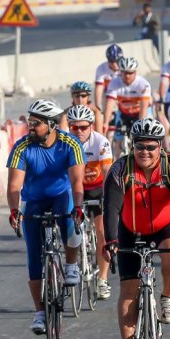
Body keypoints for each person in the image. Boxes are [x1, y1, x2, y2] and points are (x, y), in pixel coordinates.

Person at [102, 118, 170, 339]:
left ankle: (167, 297)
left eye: (151, 147)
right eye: (140, 146)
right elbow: (111, 208)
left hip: (166, 226)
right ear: (133, 145)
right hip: (130, 229)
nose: (145, 152)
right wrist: (111, 241)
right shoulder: (120, 169)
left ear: (160, 147)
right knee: (129, 290)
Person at [7, 100, 86, 335]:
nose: (30, 127)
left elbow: (77, 182)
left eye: (36, 123)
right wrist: (14, 210)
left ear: (51, 125)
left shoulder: (69, 143)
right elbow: (13, 186)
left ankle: (71, 265)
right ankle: (40, 313)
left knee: (70, 222)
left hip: (61, 195)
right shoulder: (22, 147)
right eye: (29, 122)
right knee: (34, 256)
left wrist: (79, 206)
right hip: (35, 200)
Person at [66, 105, 113, 299]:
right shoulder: (65, 143)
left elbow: (108, 174)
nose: (79, 131)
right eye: (74, 127)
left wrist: (110, 199)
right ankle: (71, 267)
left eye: (83, 127)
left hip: (96, 189)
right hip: (73, 189)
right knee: (69, 229)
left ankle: (102, 280)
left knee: (102, 231)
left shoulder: (100, 142)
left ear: (91, 126)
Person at [103, 57, 153, 156]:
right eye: (125, 72)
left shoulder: (143, 84)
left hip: (140, 113)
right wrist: (105, 123)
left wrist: (140, 127)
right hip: (123, 113)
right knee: (117, 142)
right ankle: (117, 167)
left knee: (147, 140)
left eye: (130, 73)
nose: (127, 76)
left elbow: (143, 110)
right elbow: (109, 104)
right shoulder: (114, 83)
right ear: (120, 72)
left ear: (135, 72)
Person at [94, 44, 123, 112]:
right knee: (108, 112)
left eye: (117, 61)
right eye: (111, 61)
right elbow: (99, 88)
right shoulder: (101, 68)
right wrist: (97, 107)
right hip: (109, 92)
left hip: (124, 91)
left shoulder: (125, 66)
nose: (115, 64)